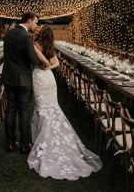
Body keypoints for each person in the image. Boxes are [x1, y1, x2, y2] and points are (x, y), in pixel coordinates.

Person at [27, 25, 102, 180]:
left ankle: (42, 142)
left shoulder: (35, 45)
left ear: (42, 33)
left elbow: (46, 62)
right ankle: (42, 139)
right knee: (50, 108)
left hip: (40, 78)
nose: (37, 28)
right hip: (48, 78)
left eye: (39, 29)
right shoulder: (50, 46)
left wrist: (44, 65)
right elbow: (57, 64)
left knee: (42, 108)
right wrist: (48, 68)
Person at [2, 12, 50, 154]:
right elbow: (32, 60)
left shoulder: (9, 34)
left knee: (10, 110)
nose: (36, 25)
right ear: (29, 21)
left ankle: (10, 143)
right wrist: (40, 58)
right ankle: (24, 144)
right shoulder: (26, 37)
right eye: (35, 22)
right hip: (23, 79)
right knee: (24, 111)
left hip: (8, 77)